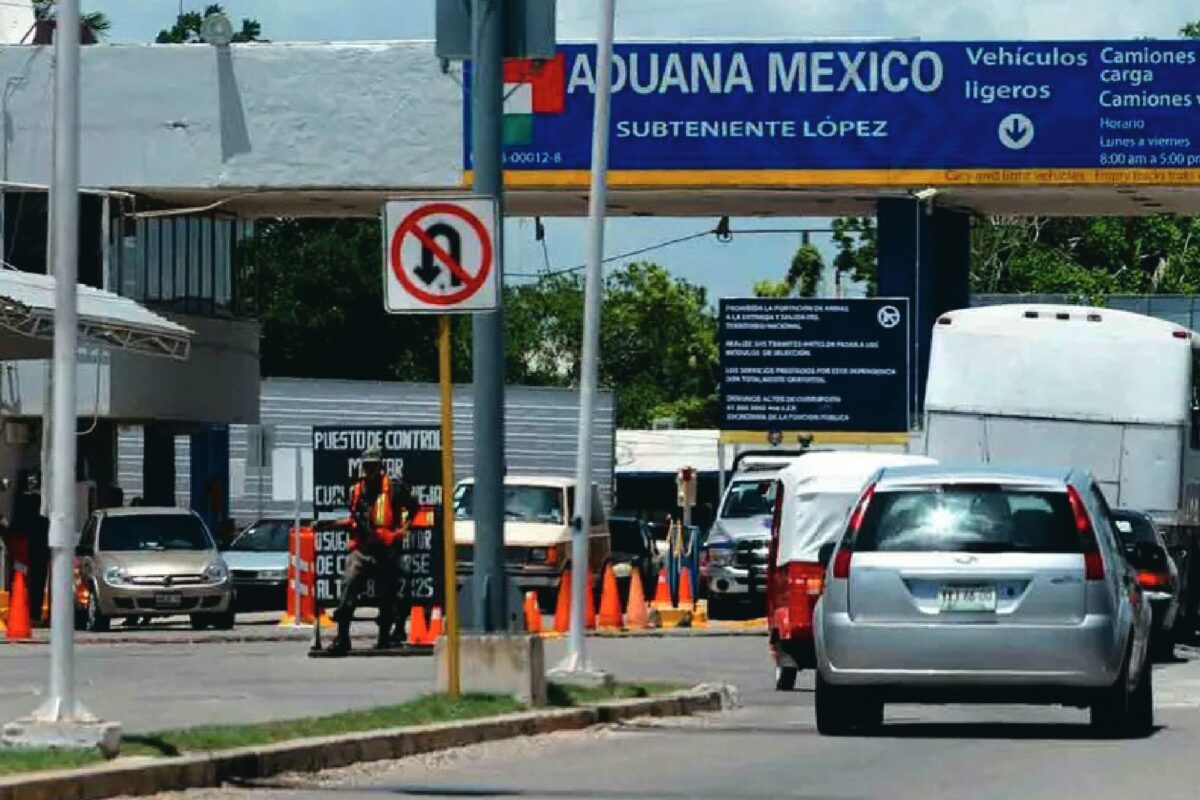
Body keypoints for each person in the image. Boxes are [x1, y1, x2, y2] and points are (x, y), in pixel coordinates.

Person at [328, 446, 419, 655]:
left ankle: (385, 638)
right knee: (349, 584)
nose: (369, 469)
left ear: (380, 466)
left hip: (386, 550)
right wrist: (333, 524)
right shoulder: (357, 491)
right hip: (362, 549)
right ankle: (342, 637)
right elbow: (353, 519)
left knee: (387, 595)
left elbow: (414, 508)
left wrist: (400, 532)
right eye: (366, 465)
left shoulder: (395, 488)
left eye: (373, 465)